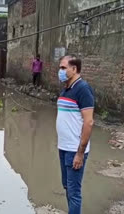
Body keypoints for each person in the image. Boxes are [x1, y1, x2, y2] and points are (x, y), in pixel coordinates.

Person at [56, 55, 95, 214]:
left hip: (74, 150)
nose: (60, 71)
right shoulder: (66, 89)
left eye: (63, 68)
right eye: (60, 68)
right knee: (67, 186)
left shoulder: (83, 89)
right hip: (64, 147)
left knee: (74, 192)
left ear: (74, 69)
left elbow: (89, 122)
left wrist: (80, 153)